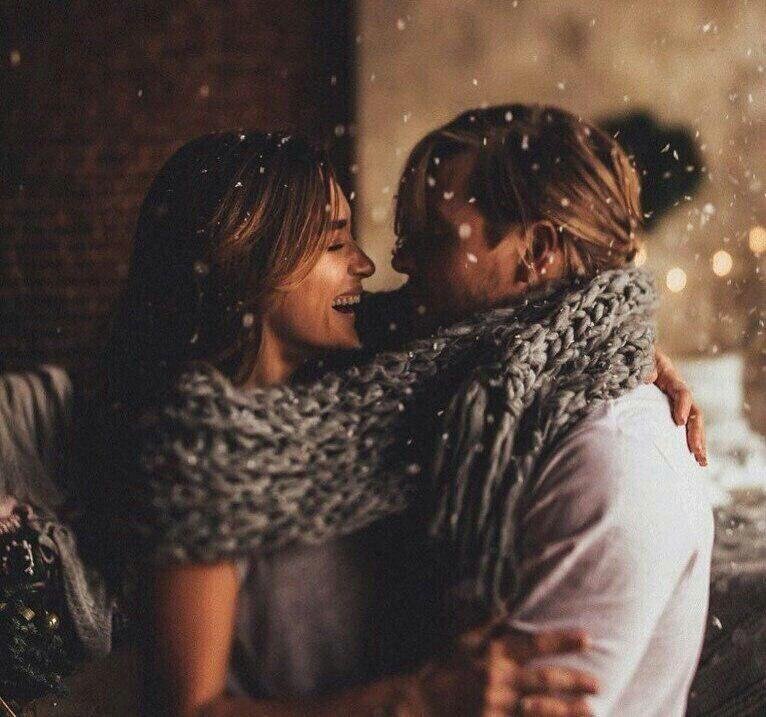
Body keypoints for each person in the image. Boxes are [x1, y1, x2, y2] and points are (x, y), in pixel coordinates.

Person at [96, 130, 606, 717]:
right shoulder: (197, 457)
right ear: (253, 259)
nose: (365, 264)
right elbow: (188, 712)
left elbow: (525, 339)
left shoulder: (368, 387)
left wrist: (632, 352)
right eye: (335, 243)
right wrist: (414, 702)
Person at [357, 103, 713, 715]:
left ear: (537, 250)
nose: (400, 262)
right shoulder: (452, 396)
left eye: (434, 237)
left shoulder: (610, 457)